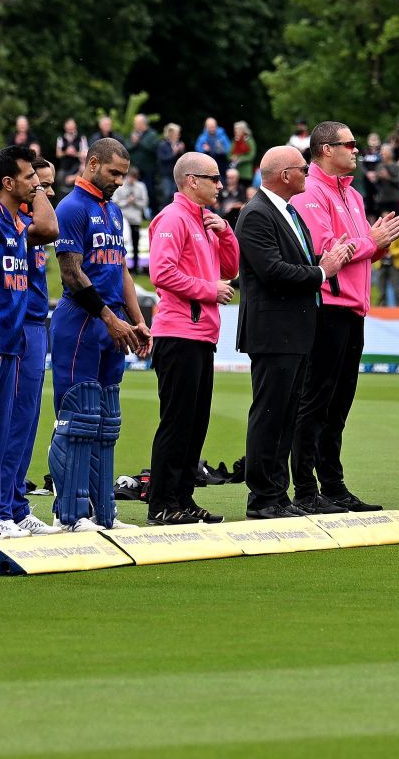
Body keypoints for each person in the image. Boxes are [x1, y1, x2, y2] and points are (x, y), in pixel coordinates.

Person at [289, 121, 399, 514]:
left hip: (353, 309)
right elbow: (328, 250)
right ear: (325, 150)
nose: (357, 151)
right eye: (350, 145)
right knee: (316, 401)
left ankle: (333, 485)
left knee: (339, 403)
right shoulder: (310, 192)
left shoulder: (353, 196)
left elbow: (358, 251)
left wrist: (378, 245)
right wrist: (369, 243)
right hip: (327, 309)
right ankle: (306, 490)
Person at [235, 146, 353, 519]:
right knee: (270, 413)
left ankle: (277, 493)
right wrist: (323, 272)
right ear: (284, 174)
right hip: (273, 332)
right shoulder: (256, 214)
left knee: (285, 415)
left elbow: (293, 264)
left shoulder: (286, 212)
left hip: (295, 330)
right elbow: (272, 271)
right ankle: (262, 497)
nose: (307, 173)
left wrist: (321, 266)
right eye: (303, 168)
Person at [47, 138, 150, 530]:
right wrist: (109, 317)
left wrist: (137, 319)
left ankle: (104, 511)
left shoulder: (113, 212)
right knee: (80, 417)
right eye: (113, 173)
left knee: (107, 420)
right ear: (92, 164)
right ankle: (70, 515)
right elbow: (71, 273)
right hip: (81, 322)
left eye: (124, 175)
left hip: (114, 324)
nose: (120, 182)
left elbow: (120, 269)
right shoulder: (71, 208)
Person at [146, 151, 240, 524]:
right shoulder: (172, 218)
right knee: (177, 421)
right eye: (213, 178)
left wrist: (226, 232)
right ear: (191, 181)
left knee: (195, 422)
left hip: (200, 334)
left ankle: (182, 499)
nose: (220, 184)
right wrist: (207, 290)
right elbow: (161, 274)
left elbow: (231, 269)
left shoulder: (204, 221)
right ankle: (162, 504)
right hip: (177, 332)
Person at [0, 145, 45, 535]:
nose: (36, 184)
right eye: (30, 177)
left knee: (2, 429)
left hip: (13, 339)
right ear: (7, 182)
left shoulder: (17, 224)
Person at [113, 165, 150, 270]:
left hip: (135, 219)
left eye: (134, 177)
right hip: (123, 219)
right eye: (130, 177)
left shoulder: (141, 186)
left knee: (135, 243)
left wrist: (135, 202)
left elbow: (144, 202)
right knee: (119, 243)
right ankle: (119, 265)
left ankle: (135, 266)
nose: (131, 180)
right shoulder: (120, 185)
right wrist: (127, 202)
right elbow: (114, 201)